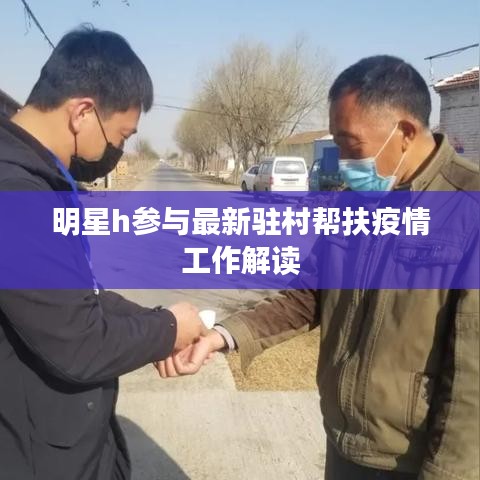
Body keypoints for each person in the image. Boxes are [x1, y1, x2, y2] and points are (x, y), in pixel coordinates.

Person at [158, 56, 480, 480]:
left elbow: (471, 380)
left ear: (404, 132)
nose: (343, 162)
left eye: (352, 146)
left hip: (409, 462)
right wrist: (222, 336)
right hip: (343, 445)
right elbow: (307, 295)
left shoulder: (468, 209)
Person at [0, 26, 207, 480]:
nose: (119, 150)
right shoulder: (15, 194)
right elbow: (80, 343)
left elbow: (77, 296)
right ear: (83, 112)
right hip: (36, 459)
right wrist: (170, 329)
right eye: (121, 135)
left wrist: (157, 326)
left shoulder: (39, 180)